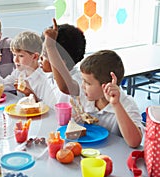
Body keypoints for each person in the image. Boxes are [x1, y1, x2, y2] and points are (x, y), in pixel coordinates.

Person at [44, 19, 143, 148]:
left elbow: (135, 142)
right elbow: (64, 86)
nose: (82, 85)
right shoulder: (87, 94)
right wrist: (50, 46)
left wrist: (116, 105)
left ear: (106, 85)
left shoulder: (126, 104)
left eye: (88, 83)